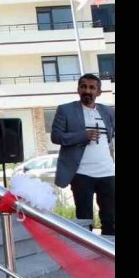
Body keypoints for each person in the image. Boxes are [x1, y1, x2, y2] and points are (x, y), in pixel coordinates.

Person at [51, 74, 115, 236]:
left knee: (111, 218)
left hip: (108, 173)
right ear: (78, 90)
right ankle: (87, 256)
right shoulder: (65, 110)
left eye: (92, 87)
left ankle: (109, 255)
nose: (87, 90)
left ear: (98, 92)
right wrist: (82, 136)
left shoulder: (108, 111)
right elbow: (56, 137)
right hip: (81, 174)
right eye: (83, 86)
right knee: (85, 220)